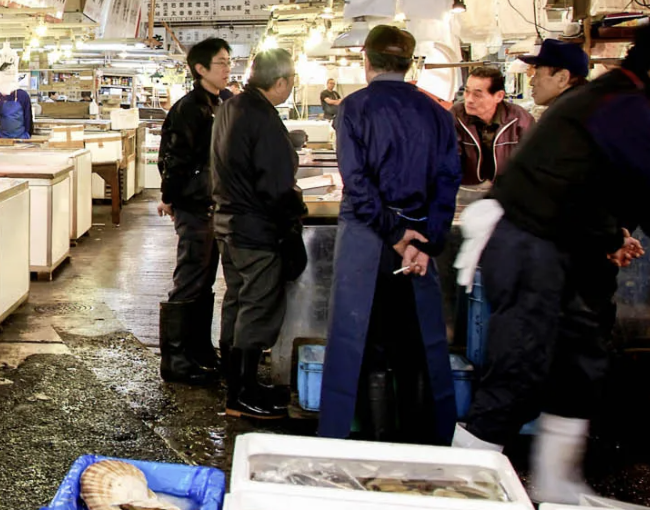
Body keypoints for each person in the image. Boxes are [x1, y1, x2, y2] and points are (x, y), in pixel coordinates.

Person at [456, 21, 650, 502]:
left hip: (554, 252)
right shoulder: (621, 104)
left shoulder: (615, 100)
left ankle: (560, 488)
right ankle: (460, 490)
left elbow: (583, 187)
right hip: (527, 249)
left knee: (579, 365)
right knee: (517, 375)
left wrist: (609, 235)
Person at [319, 25, 462, 444]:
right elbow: (447, 182)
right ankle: (423, 444)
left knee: (365, 345)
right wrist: (423, 240)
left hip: (369, 240)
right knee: (417, 345)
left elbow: (357, 183)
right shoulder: (438, 113)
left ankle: (374, 440)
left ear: (368, 60)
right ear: (409, 63)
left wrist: (394, 235)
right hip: (418, 243)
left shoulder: (354, 108)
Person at [211, 48, 303, 419]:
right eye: (291, 81)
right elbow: (275, 185)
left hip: (228, 223)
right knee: (258, 306)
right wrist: (293, 217)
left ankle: (238, 383)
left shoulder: (232, 106)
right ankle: (242, 393)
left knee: (238, 300)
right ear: (280, 82)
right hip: (255, 228)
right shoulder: (260, 117)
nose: (291, 86)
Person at [155, 36, 232, 385]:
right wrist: (170, 197)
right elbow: (173, 159)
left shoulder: (223, 103)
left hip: (214, 206)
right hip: (195, 207)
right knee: (190, 279)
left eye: (229, 61)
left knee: (205, 279)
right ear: (201, 69)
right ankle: (175, 359)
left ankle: (200, 349)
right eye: (221, 62)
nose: (228, 68)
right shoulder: (189, 108)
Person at [452, 66, 532, 186]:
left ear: (499, 96)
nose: (469, 100)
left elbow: (532, 163)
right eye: (466, 91)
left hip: (509, 193)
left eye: (477, 95)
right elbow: (447, 161)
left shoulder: (519, 120)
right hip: (465, 192)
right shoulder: (455, 117)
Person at [521, 39, 590, 108]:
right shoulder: (586, 107)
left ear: (562, 78)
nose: (531, 83)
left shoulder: (568, 115)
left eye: (537, 75)